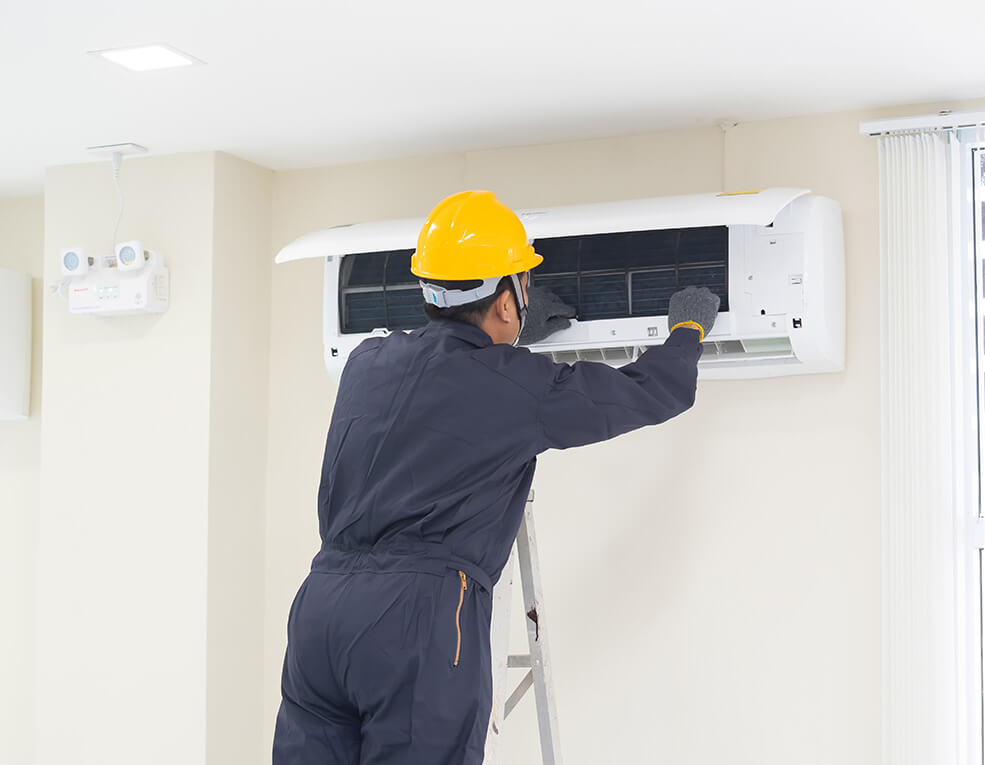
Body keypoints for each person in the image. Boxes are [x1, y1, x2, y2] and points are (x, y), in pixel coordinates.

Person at [272, 190, 719, 765]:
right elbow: (653, 391)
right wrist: (686, 329)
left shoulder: (367, 363)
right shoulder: (518, 385)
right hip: (416, 615)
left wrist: (504, 341)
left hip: (321, 609)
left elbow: (445, 382)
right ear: (508, 300)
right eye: (522, 286)